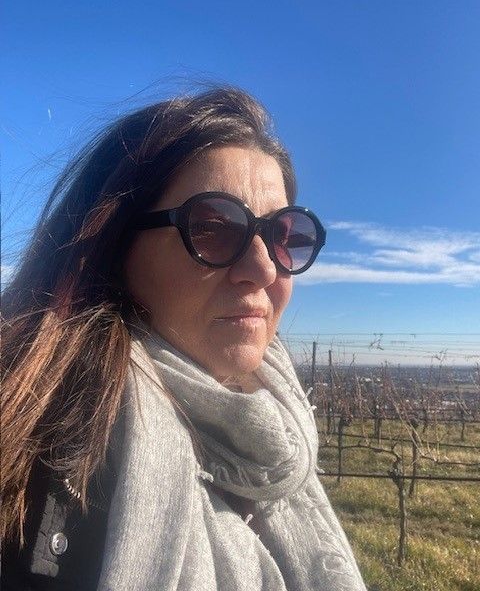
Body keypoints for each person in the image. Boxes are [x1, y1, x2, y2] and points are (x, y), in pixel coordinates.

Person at [1, 86, 366, 590]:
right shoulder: (52, 464)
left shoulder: (278, 436)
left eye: (284, 235)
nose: (264, 269)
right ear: (116, 247)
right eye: (214, 228)